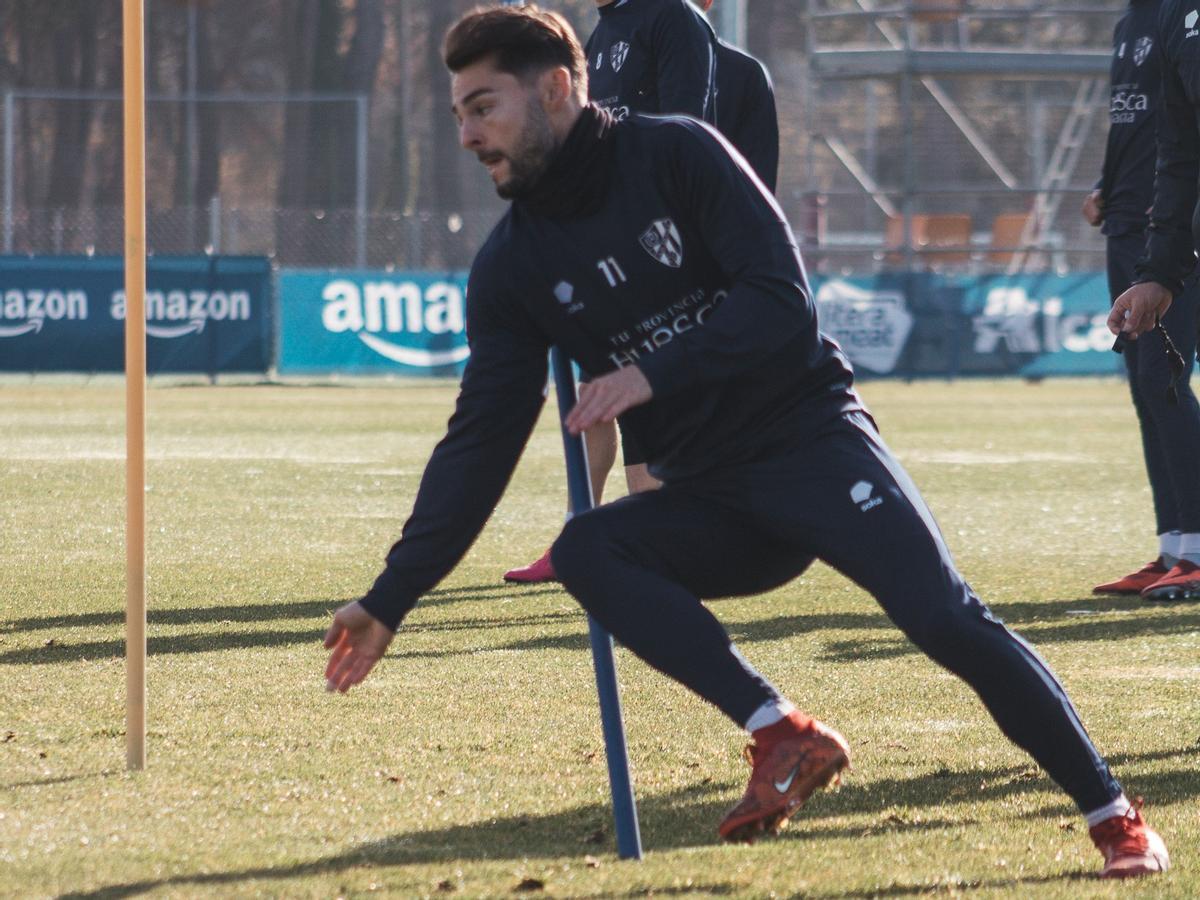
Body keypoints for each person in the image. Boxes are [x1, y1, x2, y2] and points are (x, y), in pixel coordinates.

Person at [323, 5, 1168, 877]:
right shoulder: (510, 266)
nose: (466, 133)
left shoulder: (677, 152)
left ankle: (1113, 815)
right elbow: (478, 440)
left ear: (557, 88)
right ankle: (784, 735)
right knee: (586, 549)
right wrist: (392, 597)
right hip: (709, 501)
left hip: (810, 442)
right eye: (458, 111)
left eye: (483, 106)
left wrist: (651, 373)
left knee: (942, 618)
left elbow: (779, 301)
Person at [504, 0, 779, 582]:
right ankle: (584, 528)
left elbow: (732, 167)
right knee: (598, 394)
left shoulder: (726, 62)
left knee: (660, 407)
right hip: (611, 241)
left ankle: (664, 541)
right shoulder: (606, 30)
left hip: (678, 256)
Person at [1087, 0, 1200, 600]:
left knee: (1163, 377)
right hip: (1130, 225)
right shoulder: (1134, 20)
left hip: (1171, 229)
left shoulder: (1176, 14)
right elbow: (1139, 121)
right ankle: (1175, 549)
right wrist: (1106, 186)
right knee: (1144, 382)